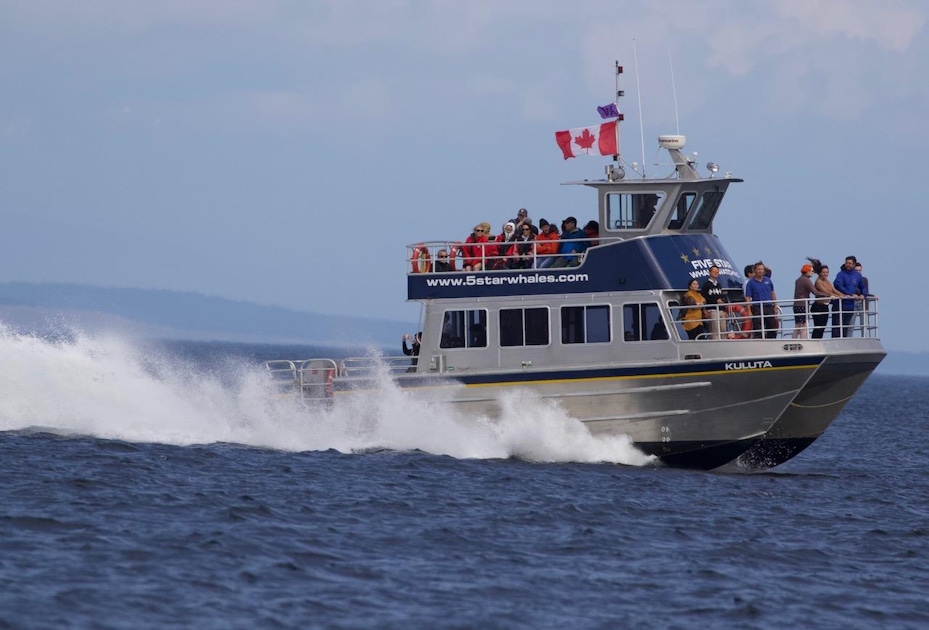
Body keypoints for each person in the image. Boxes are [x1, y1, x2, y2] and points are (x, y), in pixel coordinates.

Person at [808, 258, 844, 339]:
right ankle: (815, 340)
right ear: (820, 273)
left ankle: (819, 340)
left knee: (823, 326)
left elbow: (833, 290)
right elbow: (826, 292)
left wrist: (843, 295)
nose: (825, 274)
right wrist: (837, 296)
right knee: (818, 326)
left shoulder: (827, 281)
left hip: (825, 306)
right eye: (823, 272)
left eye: (827, 272)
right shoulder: (818, 282)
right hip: (818, 307)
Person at [832, 255, 868, 337]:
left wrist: (863, 295)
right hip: (840, 303)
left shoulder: (857, 276)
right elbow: (839, 286)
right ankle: (836, 341)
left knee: (846, 325)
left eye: (850, 263)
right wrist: (850, 294)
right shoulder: (840, 274)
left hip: (850, 304)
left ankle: (844, 341)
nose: (848, 265)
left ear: (854, 264)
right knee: (837, 325)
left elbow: (862, 286)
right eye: (846, 263)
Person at [792, 263, 830, 339]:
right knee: (804, 325)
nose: (813, 272)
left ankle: (794, 341)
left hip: (796, 305)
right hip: (802, 305)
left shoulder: (799, 279)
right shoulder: (806, 280)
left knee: (798, 324)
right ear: (807, 271)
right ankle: (802, 341)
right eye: (812, 271)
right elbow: (815, 292)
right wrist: (827, 295)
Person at [744, 261, 779, 339]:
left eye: (762, 269)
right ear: (755, 270)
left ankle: (771, 341)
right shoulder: (751, 283)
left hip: (768, 306)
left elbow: (772, 293)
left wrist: (775, 305)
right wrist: (749, 310)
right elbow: (748, 297)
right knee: (757, 326)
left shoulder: (768, 280)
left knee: (771, 325)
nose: (760, 271)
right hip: (757, 307)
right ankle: (758, 342)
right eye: (759, 269)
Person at [701, 265, 728, 339]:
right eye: (714, 271)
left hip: (720, 310)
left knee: (723, 329)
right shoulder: (706, 285)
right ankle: (715, 342)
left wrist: (724, 309)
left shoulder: (718, 285)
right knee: (715, 329)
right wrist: (705, 310)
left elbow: (722, 297)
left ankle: (724, 342)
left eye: (717, 272)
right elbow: (704, 298)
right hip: (712, 309)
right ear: (710, 272)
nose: (716, 273)